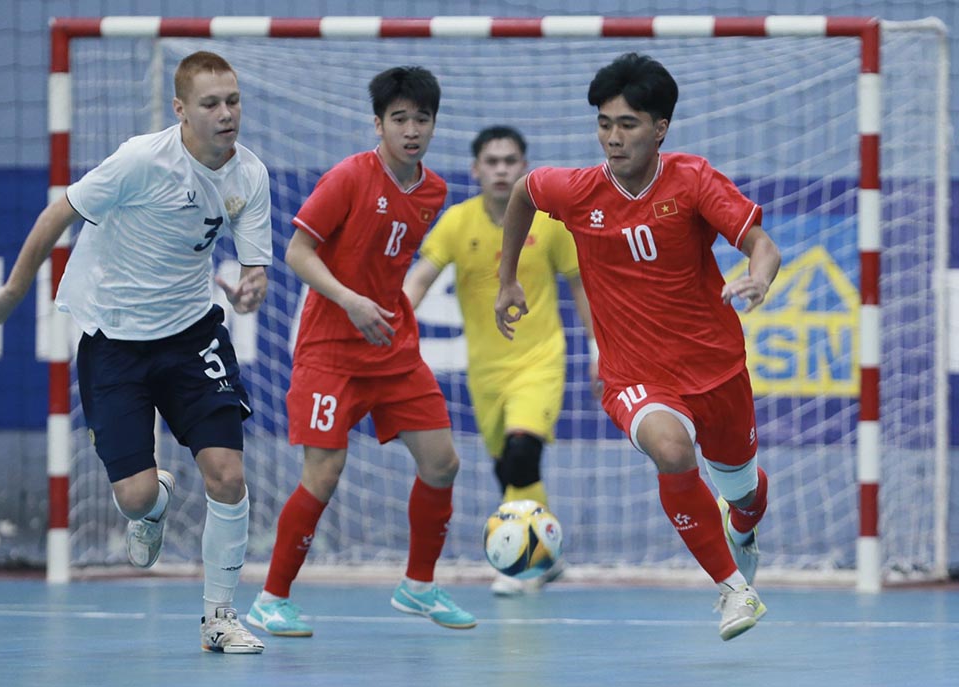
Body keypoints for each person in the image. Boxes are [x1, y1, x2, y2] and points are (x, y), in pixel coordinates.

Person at [0, 51, 270, 654]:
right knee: (135, 495)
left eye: (233, 100)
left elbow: (253, 263)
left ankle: (220, 617)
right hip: (115, 342)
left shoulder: (249, 174)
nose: (226, 113)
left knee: (228, 475)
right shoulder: (140, 160)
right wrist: (11, 293)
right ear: (181, 110)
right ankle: (150, 505)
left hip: (192, 336)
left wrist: (250, 288)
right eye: (211, 103)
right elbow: (59, 212)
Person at [494, 52, 780, 641]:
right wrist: (508, 278)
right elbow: (524, 192)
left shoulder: (694, 179)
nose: (613, 137)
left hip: (718, 368)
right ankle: (733, 591)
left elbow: (761, 244)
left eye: (627, 124)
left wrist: (759, 275)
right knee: (672, 451)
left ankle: (743, 530)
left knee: (745, 494)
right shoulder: (575, 190)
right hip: (634, 375)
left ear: (660, 128)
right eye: (604, 123)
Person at [245, 66, 476, 638]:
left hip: (394, 350)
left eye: (422, 119)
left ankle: (417, 586)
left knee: (443, 462)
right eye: (399, 119)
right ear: (378, 124)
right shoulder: (349, 177)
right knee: (324, 473)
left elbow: (392, 264)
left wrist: (384, 307)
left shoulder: (435, 190)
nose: (411, 129)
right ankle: (271, 598)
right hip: (331, 349)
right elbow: (298, 252)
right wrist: (350, 300)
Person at [403, 125, 598, 596]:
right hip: (486, 373)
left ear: (524, 166)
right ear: (476, 169)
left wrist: (599, 350)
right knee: (508, 469)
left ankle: (522, 565)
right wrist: (388, 328)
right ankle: (546, 556)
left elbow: (583, 287)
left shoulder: (548, 223)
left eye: (510, 161)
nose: (501, 169)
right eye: (491, 161)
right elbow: (416, 284)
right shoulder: (456, 223)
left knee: (521, 454)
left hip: (541, 361)